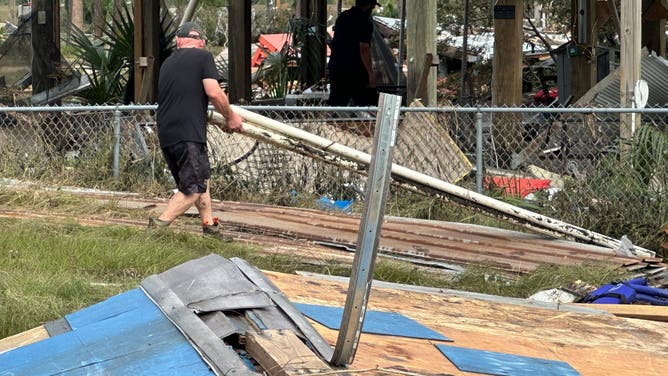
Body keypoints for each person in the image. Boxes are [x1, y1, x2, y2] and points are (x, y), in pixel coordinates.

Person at [148, 21, 244, 236]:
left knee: (201, 181)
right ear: (201, 42)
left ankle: (209, 228)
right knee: (193, 188)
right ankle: (156, 228)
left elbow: (184, 98)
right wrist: (230, 117)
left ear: (178, 41)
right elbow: (214, 92)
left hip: (167, 133)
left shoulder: (167, 63)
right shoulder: (203, 57)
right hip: (189, 133)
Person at [327, 0, 380, 106]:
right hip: (355, 70)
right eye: (373, 5)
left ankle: (331, 122)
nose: (373, 8)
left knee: (336, 103)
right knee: (366, 105)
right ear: (369, 5)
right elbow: (364, 49)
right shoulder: (365, 21)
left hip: (337, 67)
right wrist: (370, 74)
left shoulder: (342, 17)